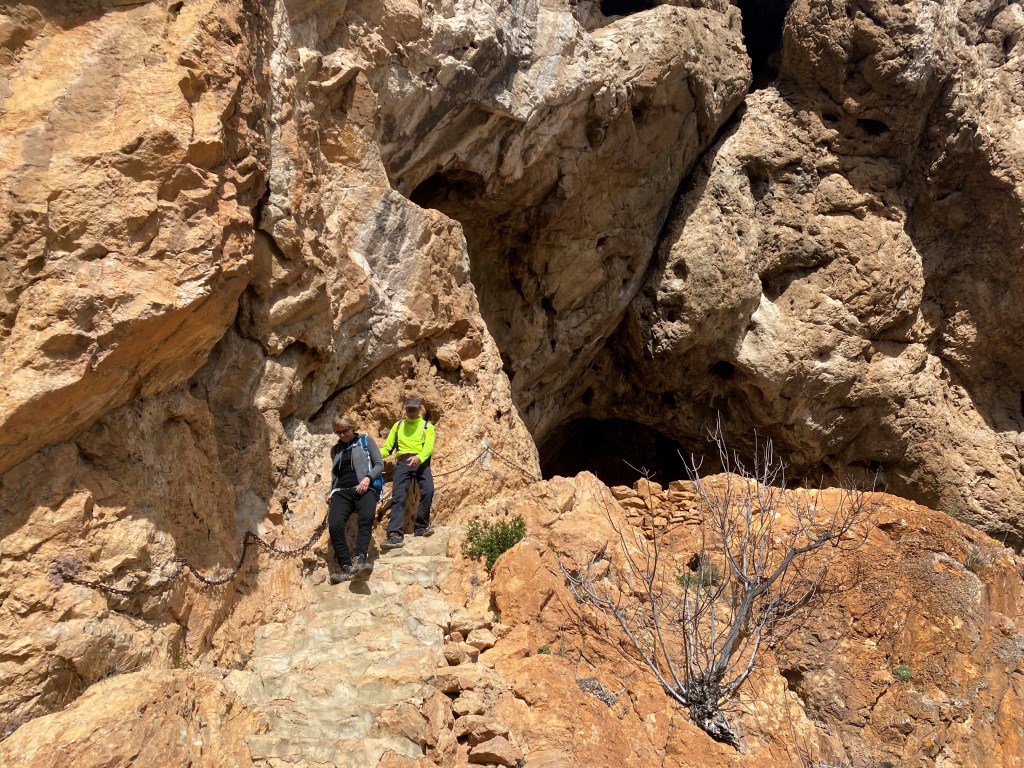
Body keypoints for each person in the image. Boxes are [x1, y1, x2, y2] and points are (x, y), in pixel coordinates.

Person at [325, 415, 384, 583]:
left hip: (364, 488)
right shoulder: (335, 450)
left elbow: (379, 464)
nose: (342, 435)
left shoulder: (365, 441)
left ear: (352, 428)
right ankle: (346, 566)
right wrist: (331, 491)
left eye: (345, 431)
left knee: (365, 519)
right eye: (338, 432)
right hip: (341, 491)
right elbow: (336, 474)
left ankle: (360, 559)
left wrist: (367, 478)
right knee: (335, 524)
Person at [380, 396, 436, 549]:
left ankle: (421, 527)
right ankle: (394, 534)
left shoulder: (427, 427)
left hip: (421, 462)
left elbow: (428, 447)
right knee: (398, 496)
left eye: (414, 409)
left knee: (428, 490)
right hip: (403, 462)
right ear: (405, 408)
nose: (411, 411)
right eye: (409, 409)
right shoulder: (398, 426)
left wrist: (419, 457)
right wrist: (373, 454)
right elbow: (387, 448)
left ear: (419, 409)